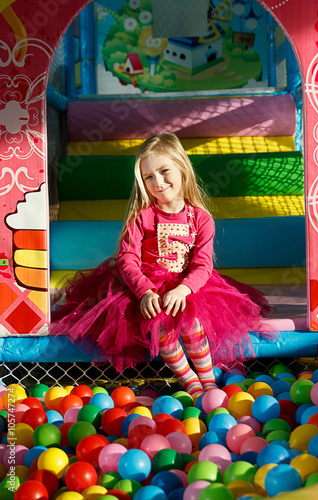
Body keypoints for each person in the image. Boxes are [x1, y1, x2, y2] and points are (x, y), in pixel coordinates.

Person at [51, 132, 273, 397]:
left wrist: (184, 289)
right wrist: (144, 291)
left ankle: (208, 379)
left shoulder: (201, 219)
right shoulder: (142, 217)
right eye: (149, 177)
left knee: (192, 322)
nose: (158, 182)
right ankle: (190, 381)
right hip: (144, 288)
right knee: (160, 323)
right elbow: (127, 259)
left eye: (164, 171)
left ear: (181, 168)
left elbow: (203, 265)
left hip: (187, 287)